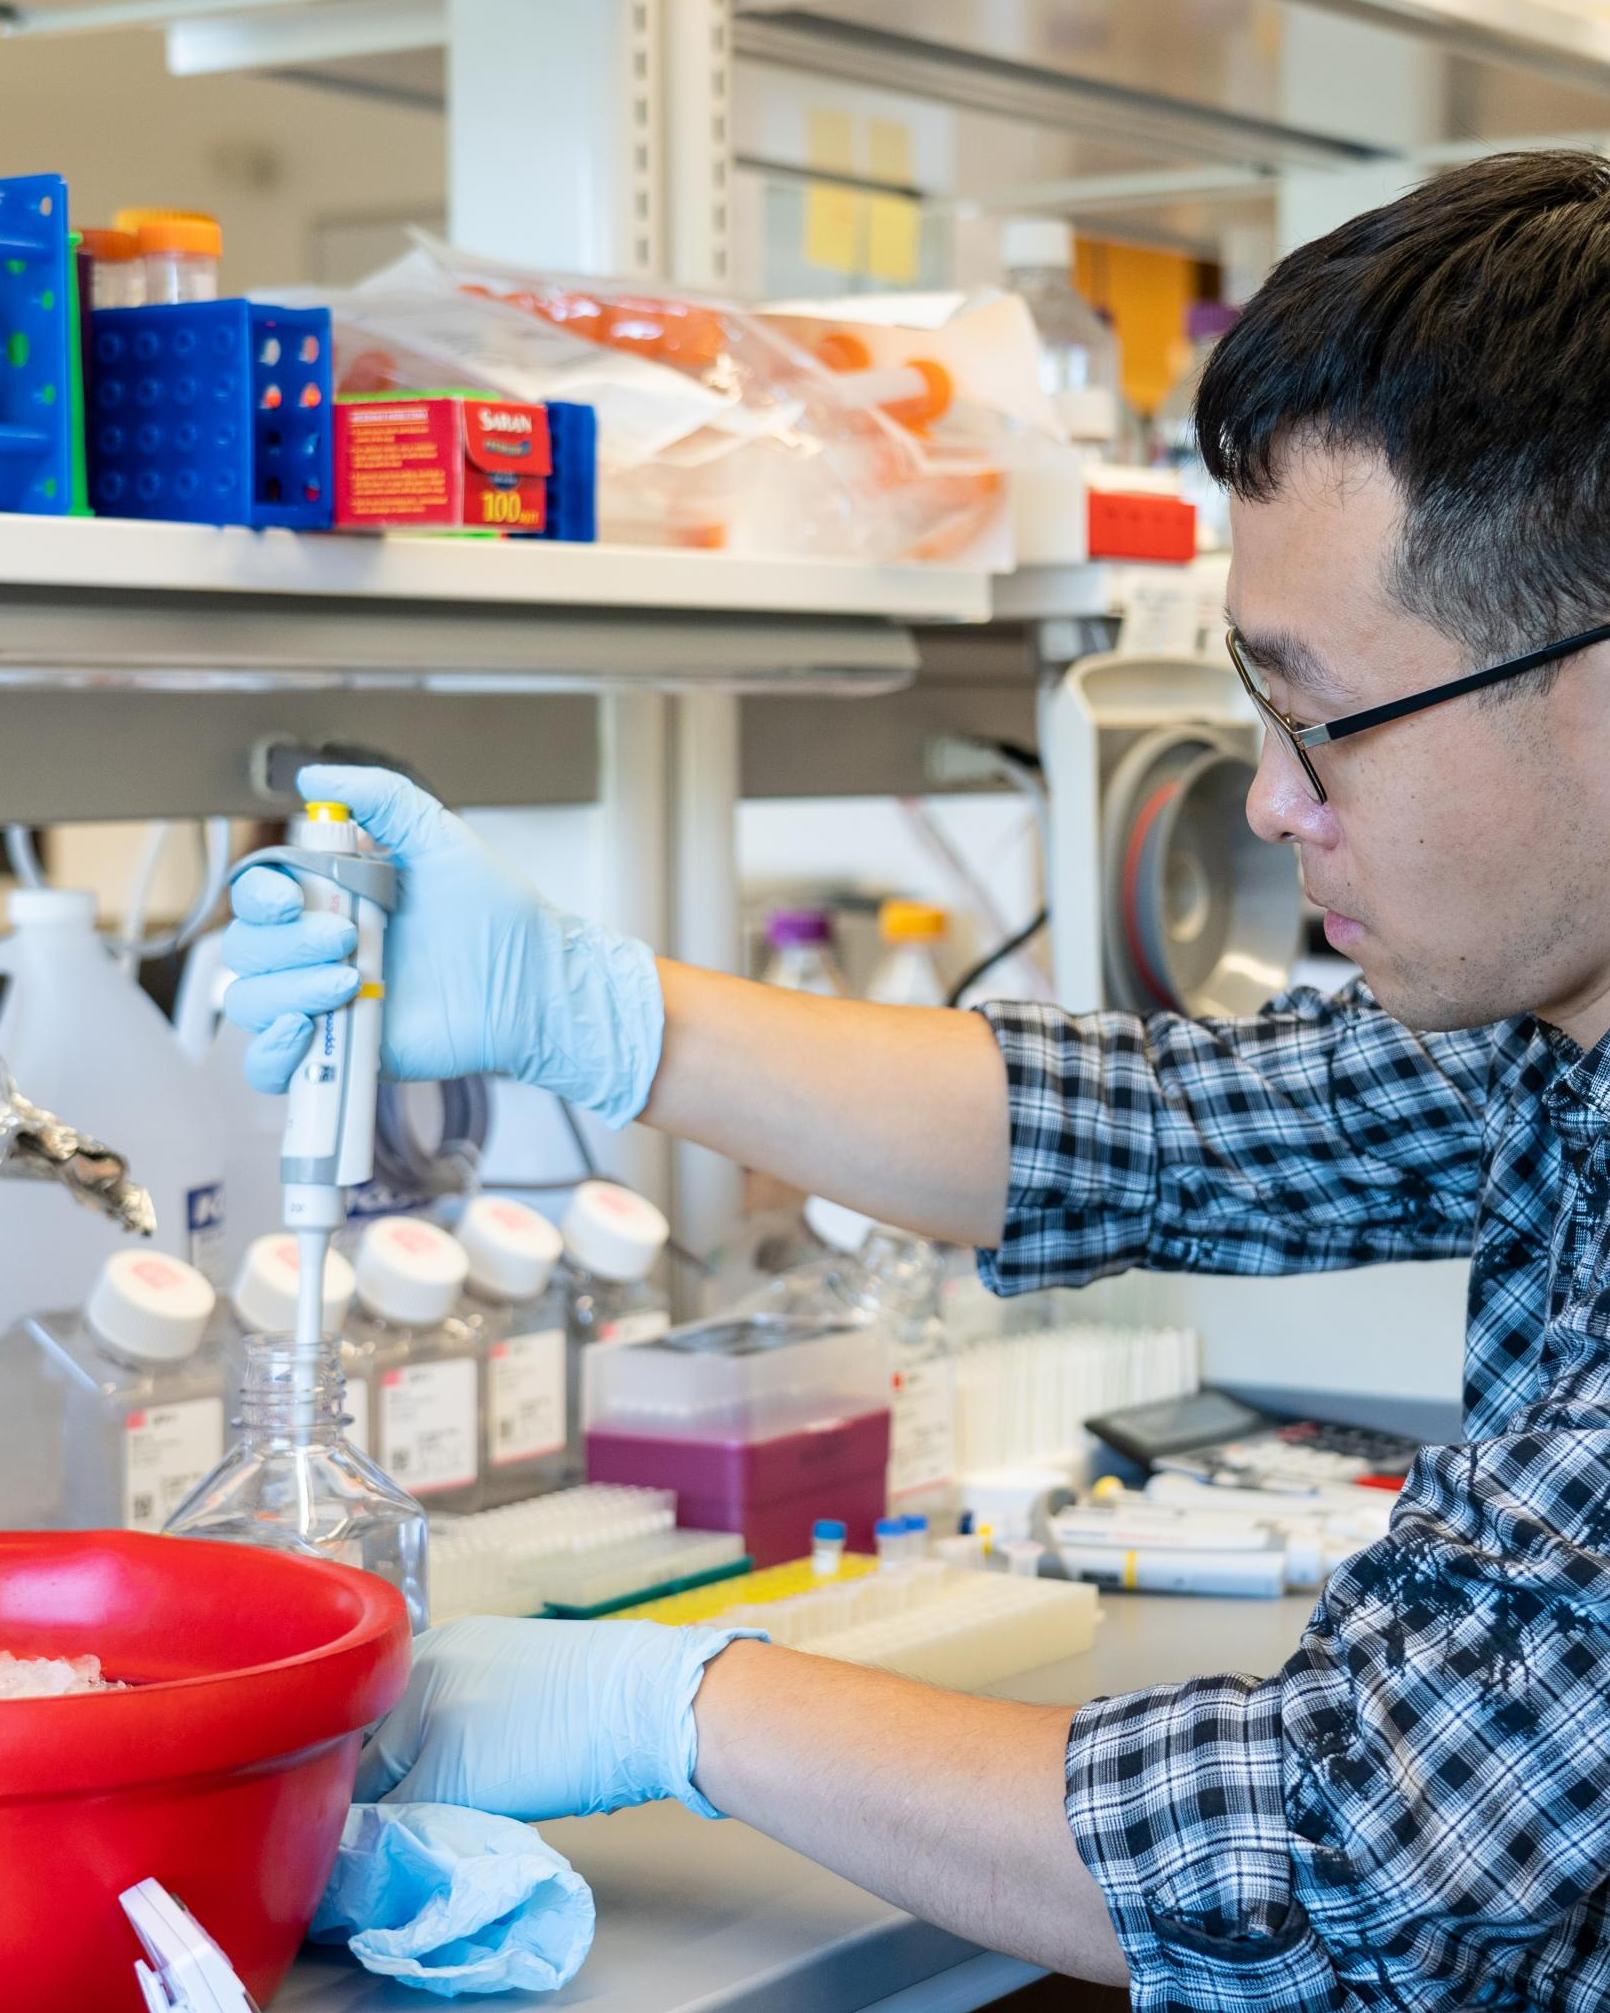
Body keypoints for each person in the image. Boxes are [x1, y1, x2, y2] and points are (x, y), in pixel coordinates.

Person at [224, 149, 1610, 2008]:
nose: (1275, 806)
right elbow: (1164, 1129)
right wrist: (588, 1011)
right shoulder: (1550, 1023)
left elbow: (1340, 1853)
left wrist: (685, 1704)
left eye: (1320, 721)